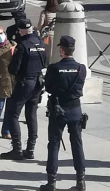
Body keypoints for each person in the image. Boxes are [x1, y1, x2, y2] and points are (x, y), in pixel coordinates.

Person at [40, 36, 87, 191]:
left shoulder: (54, 68)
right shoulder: (81, 68)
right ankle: (81, 181)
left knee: (54, 145)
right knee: (77, 144)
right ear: (73, 49)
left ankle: (51, 181)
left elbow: (48, 88)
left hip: (58, 109)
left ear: (61, 50)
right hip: (75, 109)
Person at [1, 19, 46, 160]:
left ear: (20, 31)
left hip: (25, 83)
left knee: (12, 113)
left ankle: (17, 148)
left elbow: (13, 69)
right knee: (31, 115)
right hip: (38, 82)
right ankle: (31, 149)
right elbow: (45, 62)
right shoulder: (41, 44)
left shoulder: (23, 46)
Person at [38, 0, 58, 67]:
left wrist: (38, 31)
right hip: (57, 33)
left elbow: (40, 24)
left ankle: (47, 66)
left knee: (47, 52)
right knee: (55, 51)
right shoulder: (58, 13)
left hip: (47, 35)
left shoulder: (44, 13)